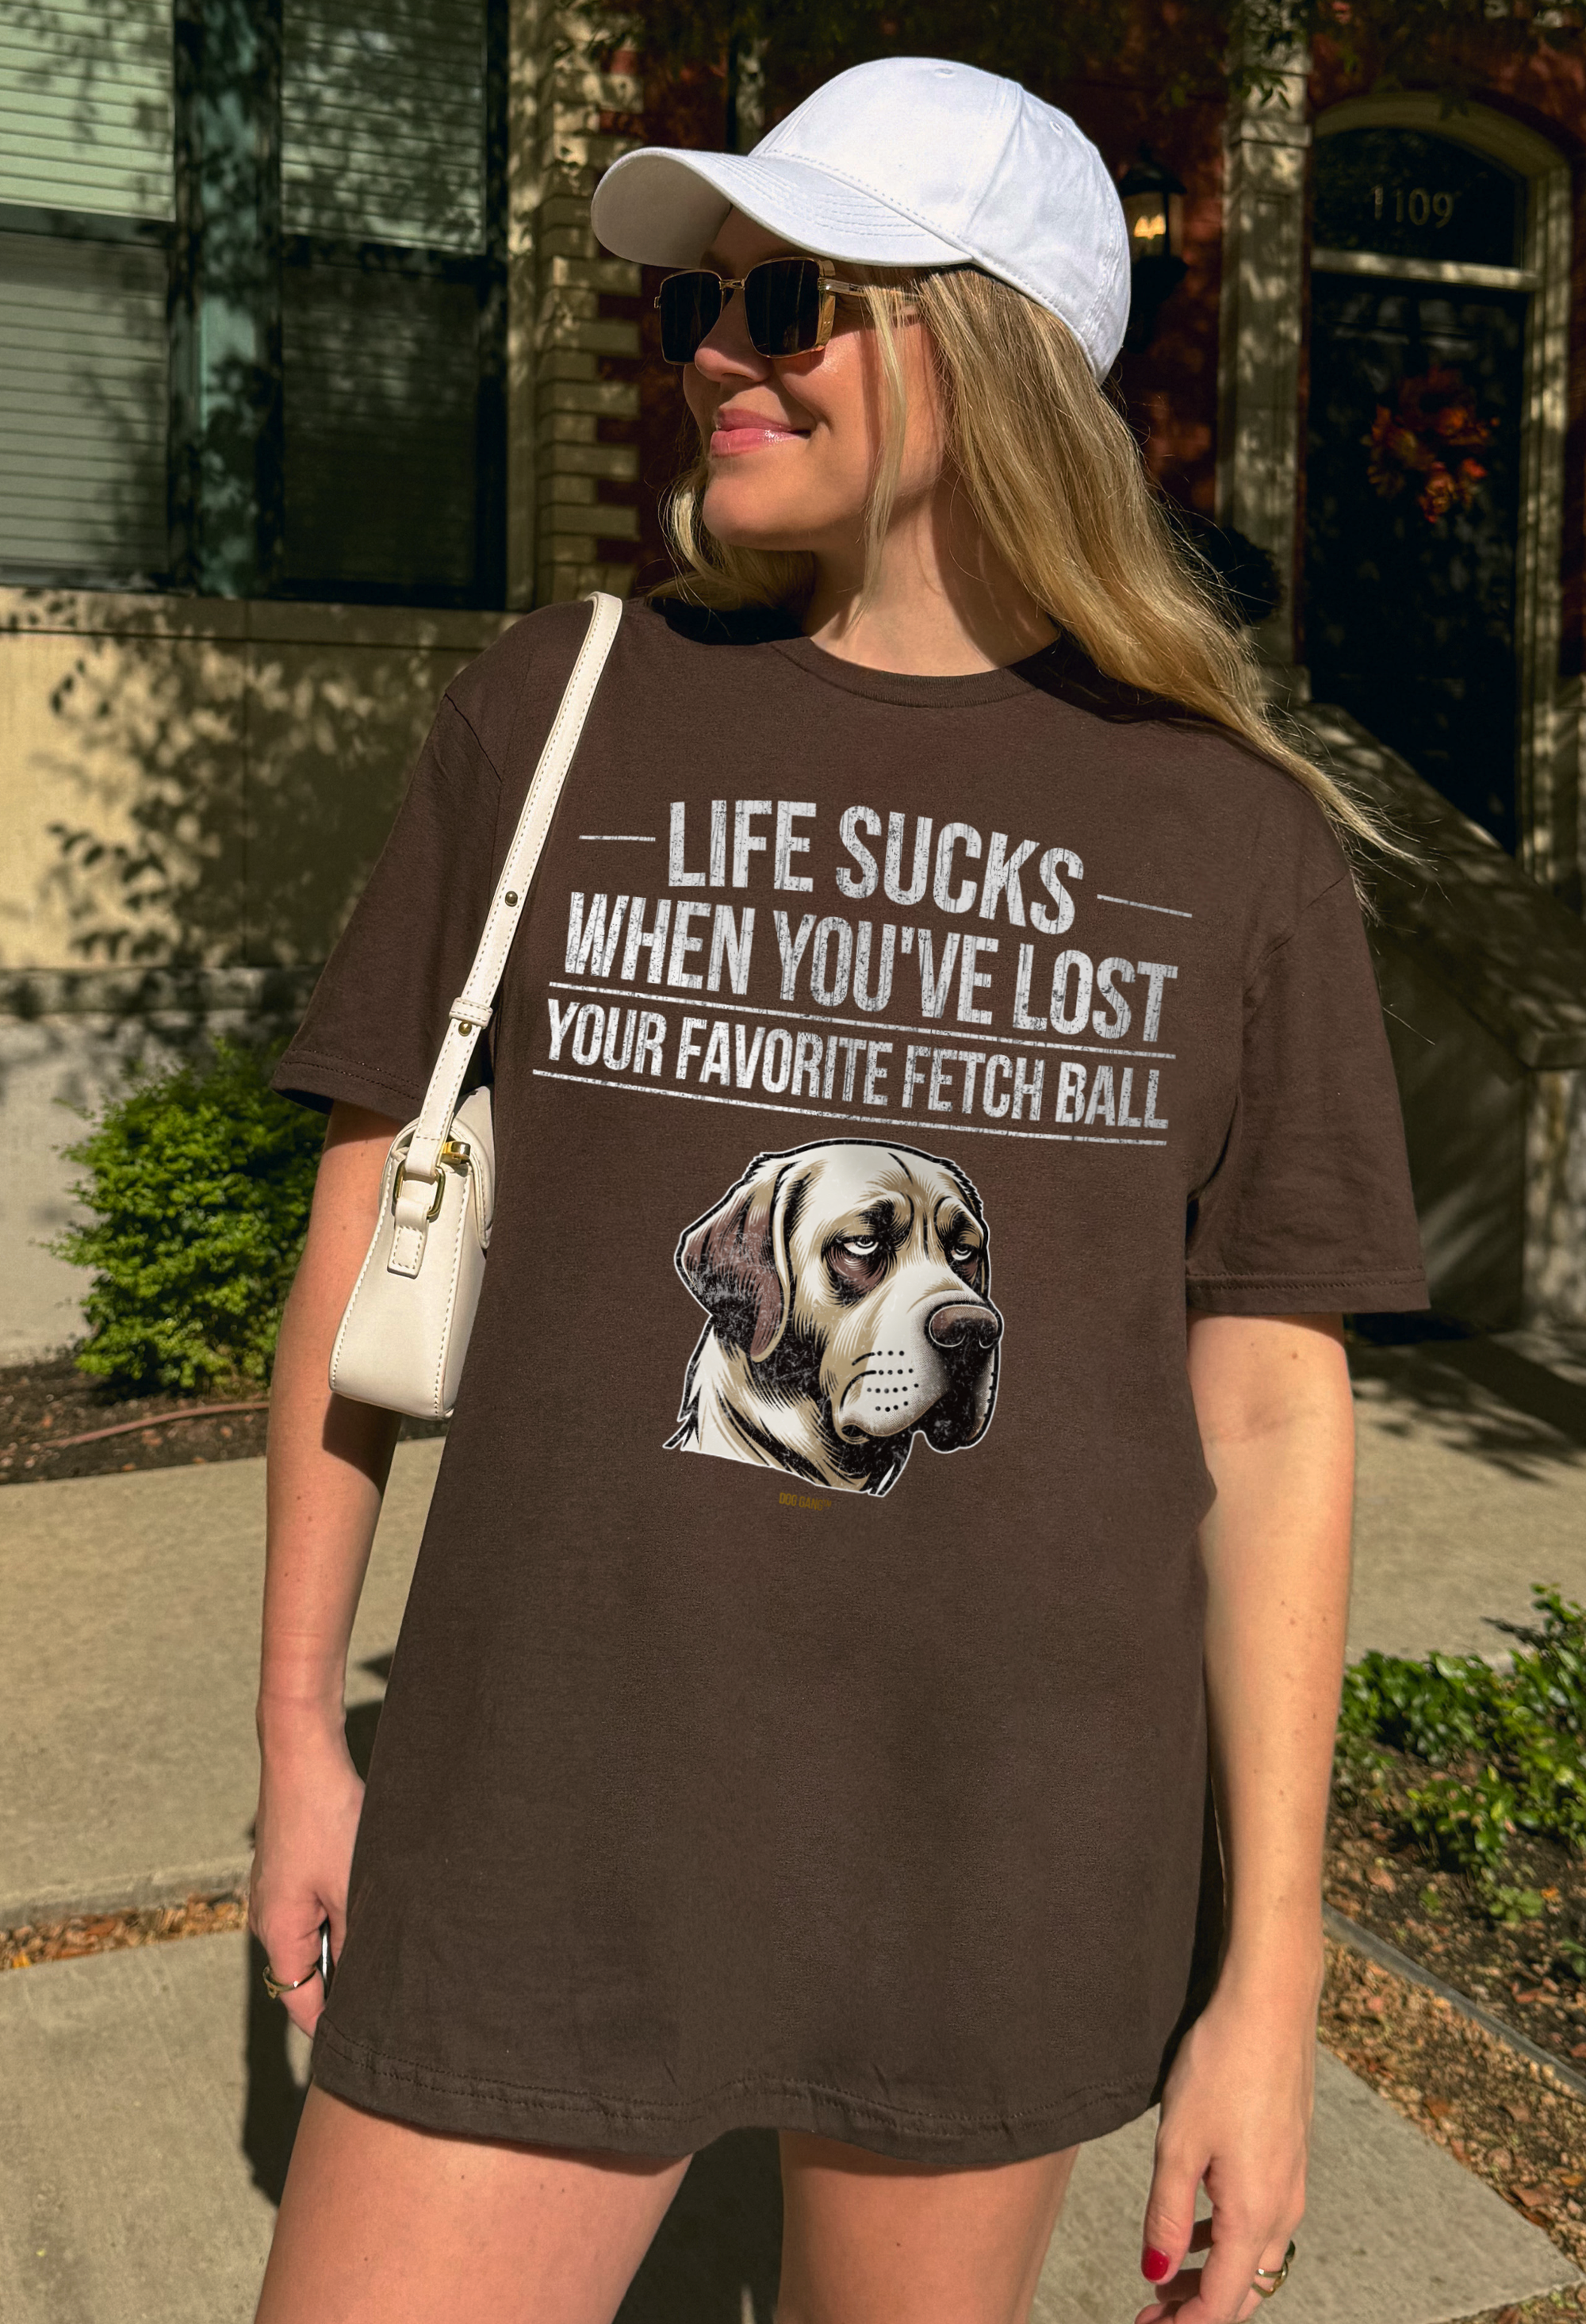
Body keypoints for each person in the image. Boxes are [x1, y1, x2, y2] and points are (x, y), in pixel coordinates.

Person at [250, 54, 1426, 2324]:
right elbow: (366, 1214)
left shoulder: (1228, 835)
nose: (714, 353)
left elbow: (1275, 1414)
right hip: (543, 1799)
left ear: (987, 351)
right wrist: (302, 1728)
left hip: (1002, 1837)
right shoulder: (563, 709)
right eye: (698, 303)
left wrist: (1266, 1985)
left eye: (786, 301)